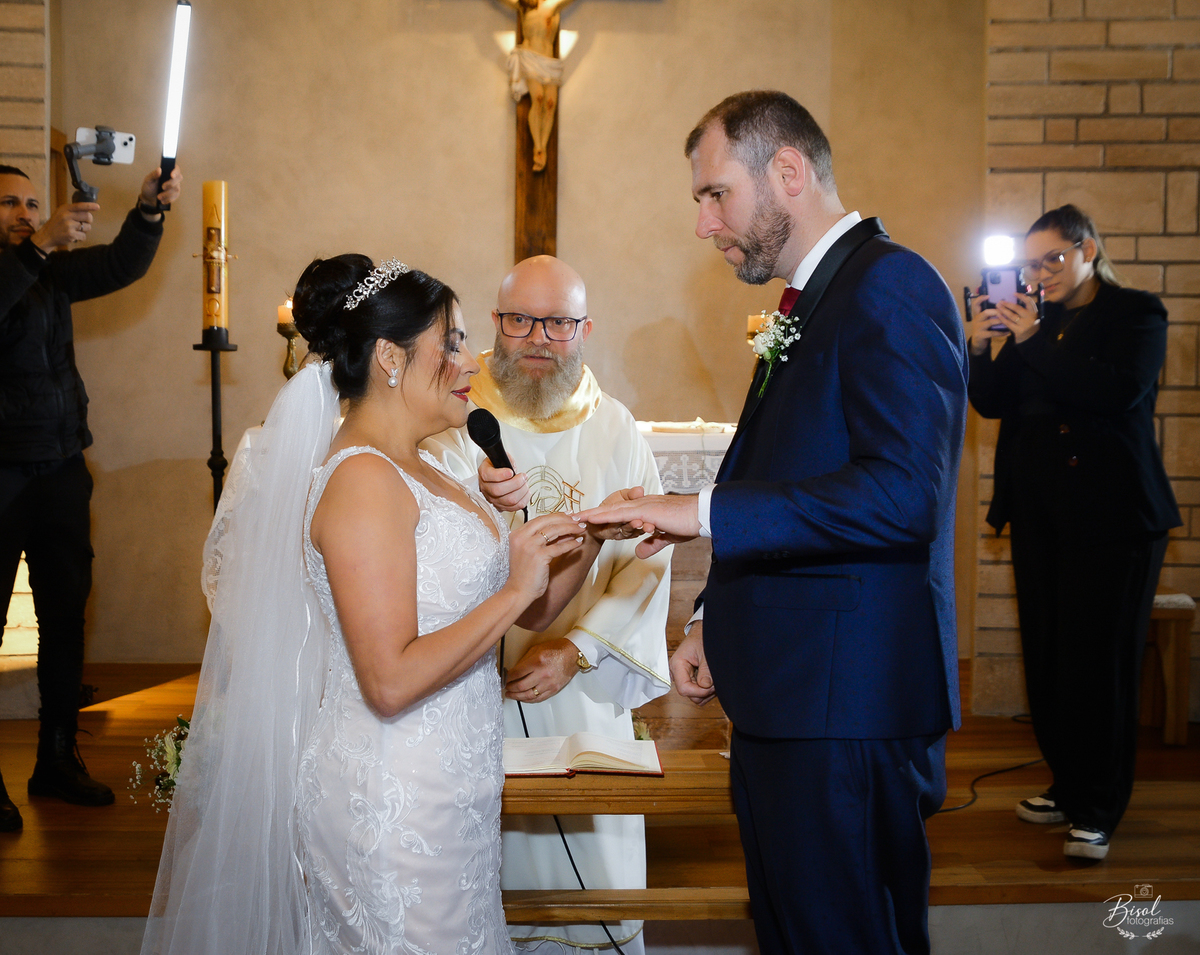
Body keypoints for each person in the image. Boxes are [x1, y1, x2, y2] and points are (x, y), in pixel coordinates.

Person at [577, 90, 967, 955]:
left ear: (787, 171)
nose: (704, 224)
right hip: (793, 694)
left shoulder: (890, 285)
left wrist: (700, 510)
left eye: (715, 194)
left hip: (847, 705)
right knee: (793, 933)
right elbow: (788, 470)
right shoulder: (815, 297)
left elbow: (905, 495)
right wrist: (717, 614)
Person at [141, 256, 595, 955]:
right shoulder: (361, 481)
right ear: (389, 357)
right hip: (391, 801)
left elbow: (526, 614)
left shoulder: (435, 466)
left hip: (455, 791)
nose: (468, 358)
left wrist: (590, 539)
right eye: (448, 341)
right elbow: (388, 681)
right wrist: (513, 586)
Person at [423, 254, 671, 955]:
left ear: (585, 328)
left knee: (589, 887)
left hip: (580, 693)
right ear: (494, 325)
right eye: (519, 319)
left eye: (558, 322)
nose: (537, 336)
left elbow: (646, 564)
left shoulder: (617, 430)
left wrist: (578, 647)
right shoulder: (452, 422)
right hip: (466, 681)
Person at [967, 204, 1180, 861]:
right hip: (1041, 515)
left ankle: (1098, 808)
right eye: (1031, 264)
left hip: (1116, 519)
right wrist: (980, 341)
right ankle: (1068, 784)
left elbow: (1112, 391)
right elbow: (995, 400)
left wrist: (1032, 340)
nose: (1040, 274)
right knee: (1051, 658)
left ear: (1088, 249)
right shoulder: (1038, 320)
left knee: (1101, 666)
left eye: (1052, 260)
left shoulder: (1136, 313)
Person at [0, 163, 182, 832]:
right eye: (9, 202)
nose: (24, 210)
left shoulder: (49, 272)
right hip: (0, 475)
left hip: (61, 468)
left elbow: (117, 268)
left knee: (64, 616)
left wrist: (147, 213)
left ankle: (55, 757)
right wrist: (39, 243)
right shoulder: (24, 264)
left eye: (31, 202)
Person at [498, 0, 579, 171]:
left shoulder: (552, 4)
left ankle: (543, 146)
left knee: (550, 104)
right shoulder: (523, 4)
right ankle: (539, 146)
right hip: (531, 59)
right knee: (539, 99)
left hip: (549, 61)